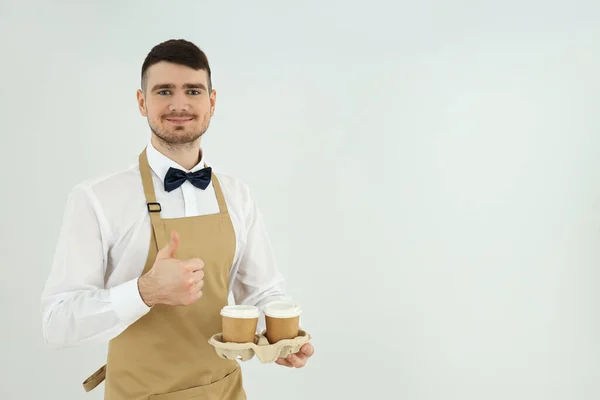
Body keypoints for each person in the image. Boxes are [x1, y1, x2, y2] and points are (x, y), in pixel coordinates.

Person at [40, 39, 314, 400]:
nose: (179, 104)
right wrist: (145, 291)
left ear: (212, 103)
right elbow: (57, 324)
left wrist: (282, 337)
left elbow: (262, 291)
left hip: (225, 391)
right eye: (164, 90)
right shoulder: (97, 198)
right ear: (142, 102)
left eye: (193, 90)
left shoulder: (237, 195)